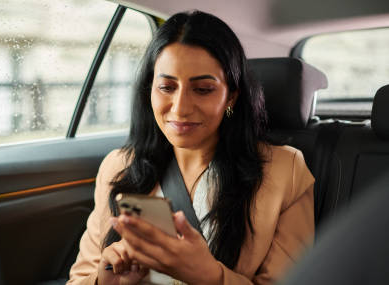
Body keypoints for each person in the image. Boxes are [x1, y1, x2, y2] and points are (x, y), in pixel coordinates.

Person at [67, 10, 315, 285]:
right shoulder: (119, 167)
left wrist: (209, 276)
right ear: (150, 90)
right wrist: (106, 280)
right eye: (166, 87)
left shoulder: (285, 172)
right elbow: (80, 278)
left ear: (231, 96)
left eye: (203, 89)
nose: (180, 108)